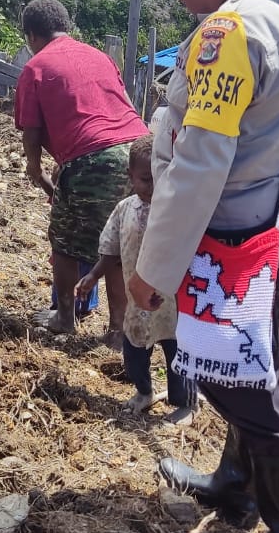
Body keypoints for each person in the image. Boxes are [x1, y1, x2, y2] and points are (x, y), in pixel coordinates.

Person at [131, 0, 279, 533]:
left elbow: (198, 166)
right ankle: (237, 489)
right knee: (252, 365)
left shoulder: (231, 32)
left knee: (243, 384)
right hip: (273, 221)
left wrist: (152, 269)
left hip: (231, 242)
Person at [13, 0, 147, 337]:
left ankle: (65, 319)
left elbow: (32, 131)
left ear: (30, 36)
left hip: (94, 158)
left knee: (64, 243)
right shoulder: (99, 56)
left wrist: (34, 168)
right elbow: (122, 109)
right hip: (141, 154)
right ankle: (118, 331)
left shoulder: (36, 68)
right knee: (117, 245)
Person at [73, 131, 198, 424]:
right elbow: (111, 248)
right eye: (145, 178)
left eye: (159, 177)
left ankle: (186, 404)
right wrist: (92, 276)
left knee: (177, 354)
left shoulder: (176, 211)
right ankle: (144, 392)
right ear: (130, 175)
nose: (153, 186)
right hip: (137, 304)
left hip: (172, 305)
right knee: (134, 352)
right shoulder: (125, 209)